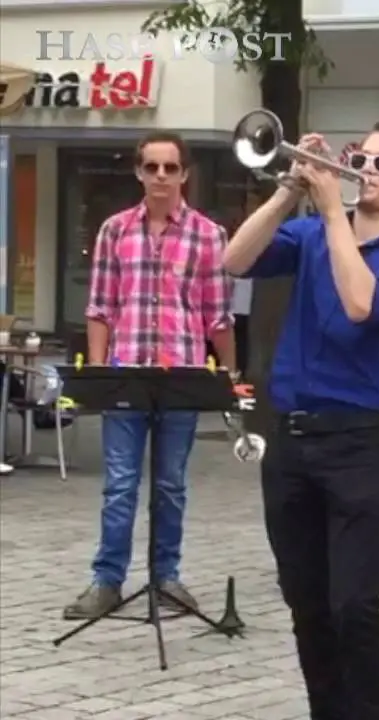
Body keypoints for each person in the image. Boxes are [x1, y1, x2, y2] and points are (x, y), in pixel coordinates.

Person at [222, 120, 379, 719]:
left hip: (355, 446)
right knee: (306, 604)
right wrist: (288, 190)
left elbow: (361, 302)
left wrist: (329, 212)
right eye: (360, 157)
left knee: (355, 606)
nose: (364, 169)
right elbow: (234, 259)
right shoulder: (314, 232)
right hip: (289, 441)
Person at [64, 131, 235, 620]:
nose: (161, 175)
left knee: (170, 486)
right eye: (152, 167)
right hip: (125, 377)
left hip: (181, 377)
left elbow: (218, 316)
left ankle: (166, 578)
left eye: (170, 167)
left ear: (185, 174)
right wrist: (99, 375)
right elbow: (100, 307)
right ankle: (107, 581)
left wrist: (229, 376)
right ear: (139, 172)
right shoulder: (114, 231)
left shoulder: (209, 235)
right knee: (120, 485)